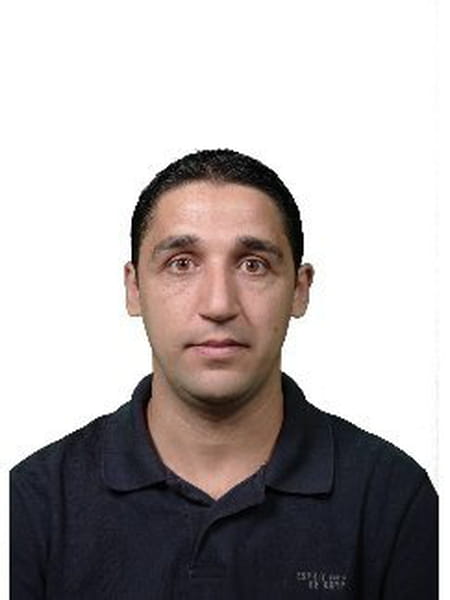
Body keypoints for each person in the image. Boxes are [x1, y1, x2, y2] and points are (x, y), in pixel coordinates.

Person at [10, 149, 437, 599]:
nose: (218, 304)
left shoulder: (393, 498)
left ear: (299, 289)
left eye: (253, 264)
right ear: (134, 289)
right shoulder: (32, 504)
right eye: (182, 263)